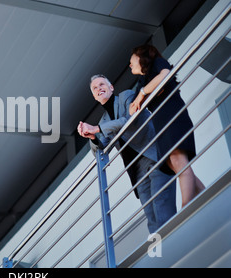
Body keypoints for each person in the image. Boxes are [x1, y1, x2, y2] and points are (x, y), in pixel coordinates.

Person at [78, 74, 176, 233]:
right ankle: (165, 255)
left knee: (163, 207)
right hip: (136, 171)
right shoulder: (103, 122)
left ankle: (180, 244)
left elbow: (128, 121)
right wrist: (93, 137)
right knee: (152, 220)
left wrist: (96, 129)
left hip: (153, 155)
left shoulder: (127, 96)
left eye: (102, 84)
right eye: (95, 88)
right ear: (95, 97)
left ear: (111, 88)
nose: (99, 88)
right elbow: (101, 149)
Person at [128, 44, 205, 208]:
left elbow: (165, 75)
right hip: (161, 125)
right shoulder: (142, 81)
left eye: (132, 59)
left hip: (173, 116)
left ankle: (186, 207)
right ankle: (208, 196)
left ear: (141, 56)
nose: (129, 64)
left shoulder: (158, 63)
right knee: (176, 164)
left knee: (178, 159)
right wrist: (139, 96)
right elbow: (132, 110)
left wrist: (142, 94)